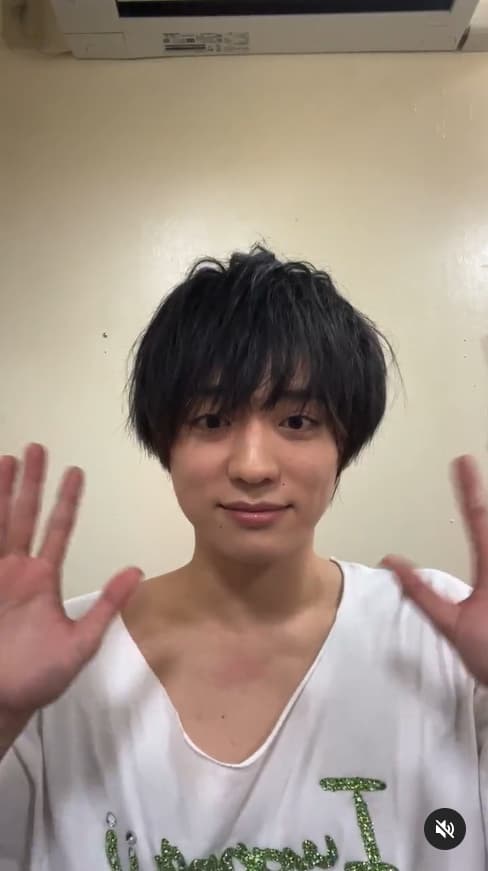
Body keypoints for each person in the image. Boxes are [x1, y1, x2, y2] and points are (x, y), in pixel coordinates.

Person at [0, 245, 487, 871]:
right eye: (211, 420)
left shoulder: (438, 642)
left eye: (297, 421)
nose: (253, 466)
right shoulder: (53, 664)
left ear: (344, 443)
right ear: (165, 442)